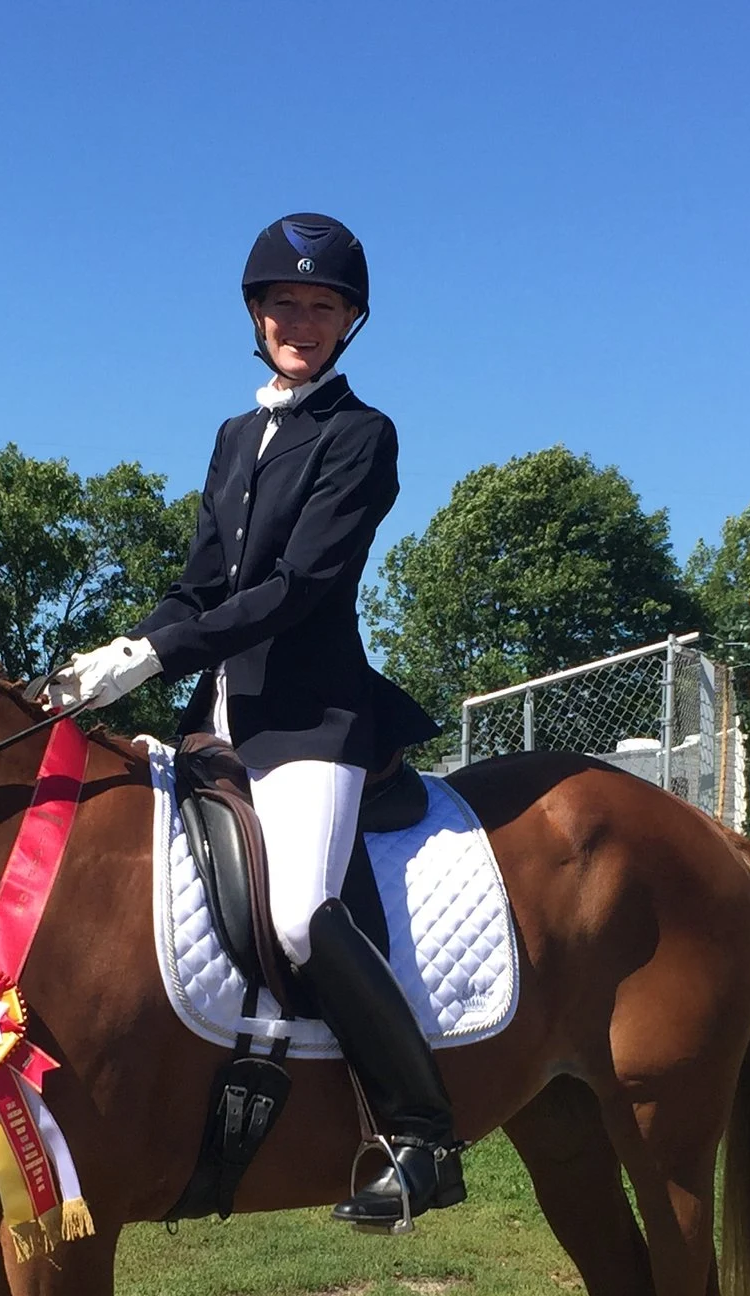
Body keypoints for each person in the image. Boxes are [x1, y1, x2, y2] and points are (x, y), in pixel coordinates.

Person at [36, 213, 462, 1227]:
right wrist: (119, 654)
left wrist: (159, 654)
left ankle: (422, 1137)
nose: (299, 322)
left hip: (311, 721)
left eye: (321, 306)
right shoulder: (235, 436)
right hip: (215, 719)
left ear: (349, 322)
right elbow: (200, 589)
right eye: (282, 304)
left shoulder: (361, 435)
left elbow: (298, 587)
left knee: (299, 914)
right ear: (255, 315)